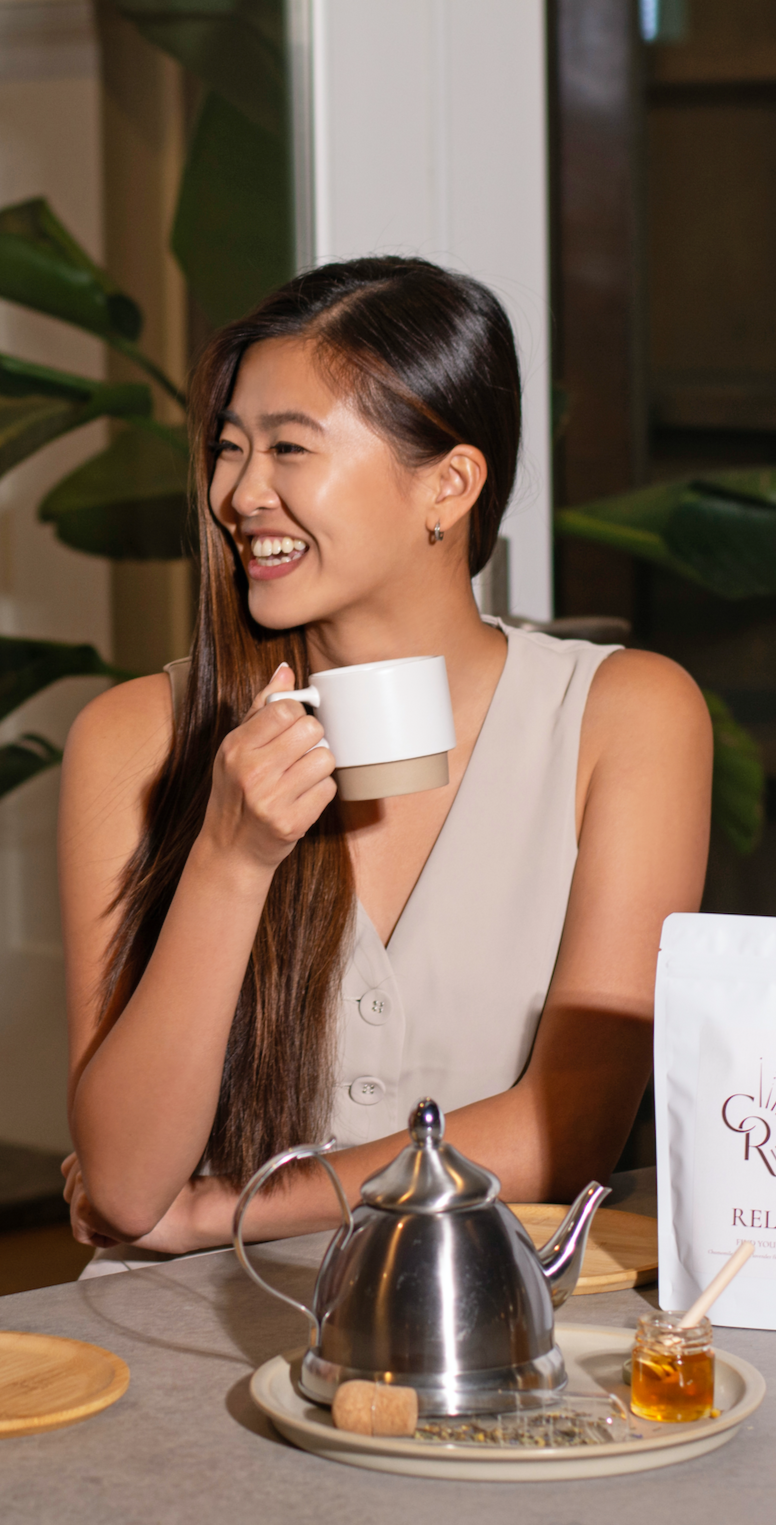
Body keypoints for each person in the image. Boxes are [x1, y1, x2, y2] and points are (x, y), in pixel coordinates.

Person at [57, 258, 711, 1264]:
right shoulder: (133, 735)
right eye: (229, 450)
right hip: (179, 1343)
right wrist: (230, 860)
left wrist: (224, 1210)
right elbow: (128, 1179)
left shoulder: (624, 718)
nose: (239, 493)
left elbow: (563, 1127)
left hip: (485, 1334)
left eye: (286, 448)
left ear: (447, 484)